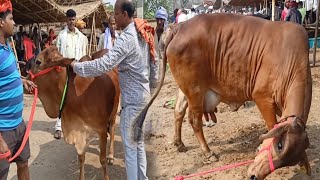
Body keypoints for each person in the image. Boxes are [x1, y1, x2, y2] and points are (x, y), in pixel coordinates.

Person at [58, 0, 158, 179]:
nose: (114, 18)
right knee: (139, 144)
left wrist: (77, 67)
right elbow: (154, 62)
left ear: (125, 15)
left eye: (117, 14)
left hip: (133, 101)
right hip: (144, 97)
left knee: (130, 148)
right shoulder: (142, 31)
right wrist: (151, 84)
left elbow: (105, 64)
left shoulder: (127, 37)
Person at [0, 1, 37, 179]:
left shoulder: (7, 48)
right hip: (3, 129)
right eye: (11, 19)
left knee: (23, 164)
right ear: (1, 22)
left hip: (18, 124)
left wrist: (21, 81)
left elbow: (6, 77)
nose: (14, 23)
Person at [53, 9, 88, 139]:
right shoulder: (61, 36)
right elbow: (57, 54)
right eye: (69, 19)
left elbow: (84, 54)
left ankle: (77, 124)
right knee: (62, 97)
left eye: (73, 19)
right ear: (66, 20)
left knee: (78, 96)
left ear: (75, 20)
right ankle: (58, 126)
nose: (71, 22)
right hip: (65, 70)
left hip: (78, 69)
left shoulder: (82, 38)